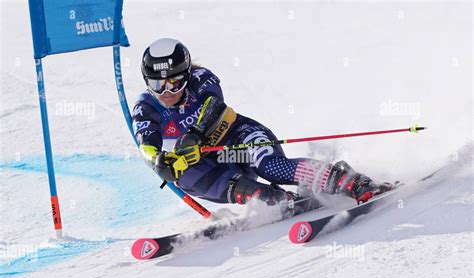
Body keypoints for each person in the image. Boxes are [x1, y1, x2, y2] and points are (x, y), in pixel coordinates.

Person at [132, 38, 393, 214]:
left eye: (175, 83)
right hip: (207, 163)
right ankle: (277, 200)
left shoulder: (201, 79)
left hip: (236, 137)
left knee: (272, 167)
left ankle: (352, 182)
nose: (167, 91)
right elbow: (147, 145)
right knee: (186, 175)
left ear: (187, 75)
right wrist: (157, 161)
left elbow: (215, 105)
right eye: (158, 85)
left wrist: (197, 134)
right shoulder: (146, 106)